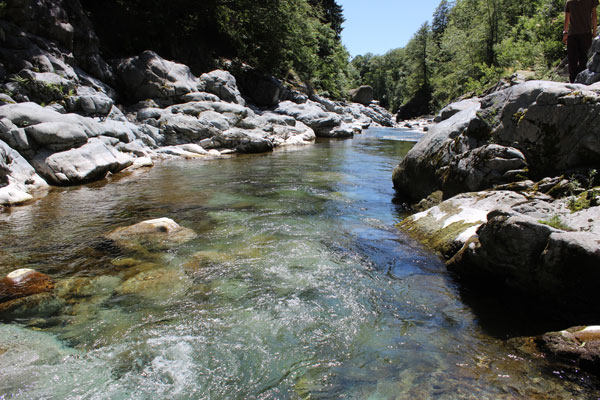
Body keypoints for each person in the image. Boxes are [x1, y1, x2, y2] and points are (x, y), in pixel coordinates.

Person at [563, 0, 599, 83]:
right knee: (582, 59)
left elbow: (567, 19)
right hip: (584, 34)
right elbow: (594, 16)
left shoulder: (570, 2)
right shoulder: (591, 1)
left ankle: (574, 81)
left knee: (573, 60)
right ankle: (579, 82)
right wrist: (594, 31)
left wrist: (565, 33)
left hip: (574, 34)